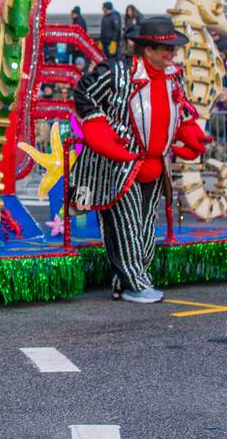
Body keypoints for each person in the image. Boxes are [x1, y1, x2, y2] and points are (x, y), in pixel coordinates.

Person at [73, 16, 208, 303]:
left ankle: (128, 282)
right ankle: (135, 283)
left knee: (146, 227)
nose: (171, 54)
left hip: (156, 163)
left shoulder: (174, 75)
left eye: (173, 49)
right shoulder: (117, 73)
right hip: (120, 165)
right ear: (147, 50)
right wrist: (98, 126)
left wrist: (190, 132)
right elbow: (85, 93)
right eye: (166, 49)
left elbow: (180, 109)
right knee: (126, 225)